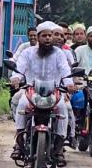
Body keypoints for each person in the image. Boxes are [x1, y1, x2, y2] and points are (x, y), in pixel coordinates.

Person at [10, 21, 75, 167]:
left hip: (54, 92)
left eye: (49, 35)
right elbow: (19, 68)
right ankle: (19, 144)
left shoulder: (59, 54)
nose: (47, 38)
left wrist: (69, 83)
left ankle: (59, 149)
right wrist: (16, 78)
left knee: (63, 109)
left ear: (53, 37)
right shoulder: (28, 53)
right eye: (44, 35)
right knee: (21, 104)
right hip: (31, 91)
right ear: (38, 38)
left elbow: (65, 70)